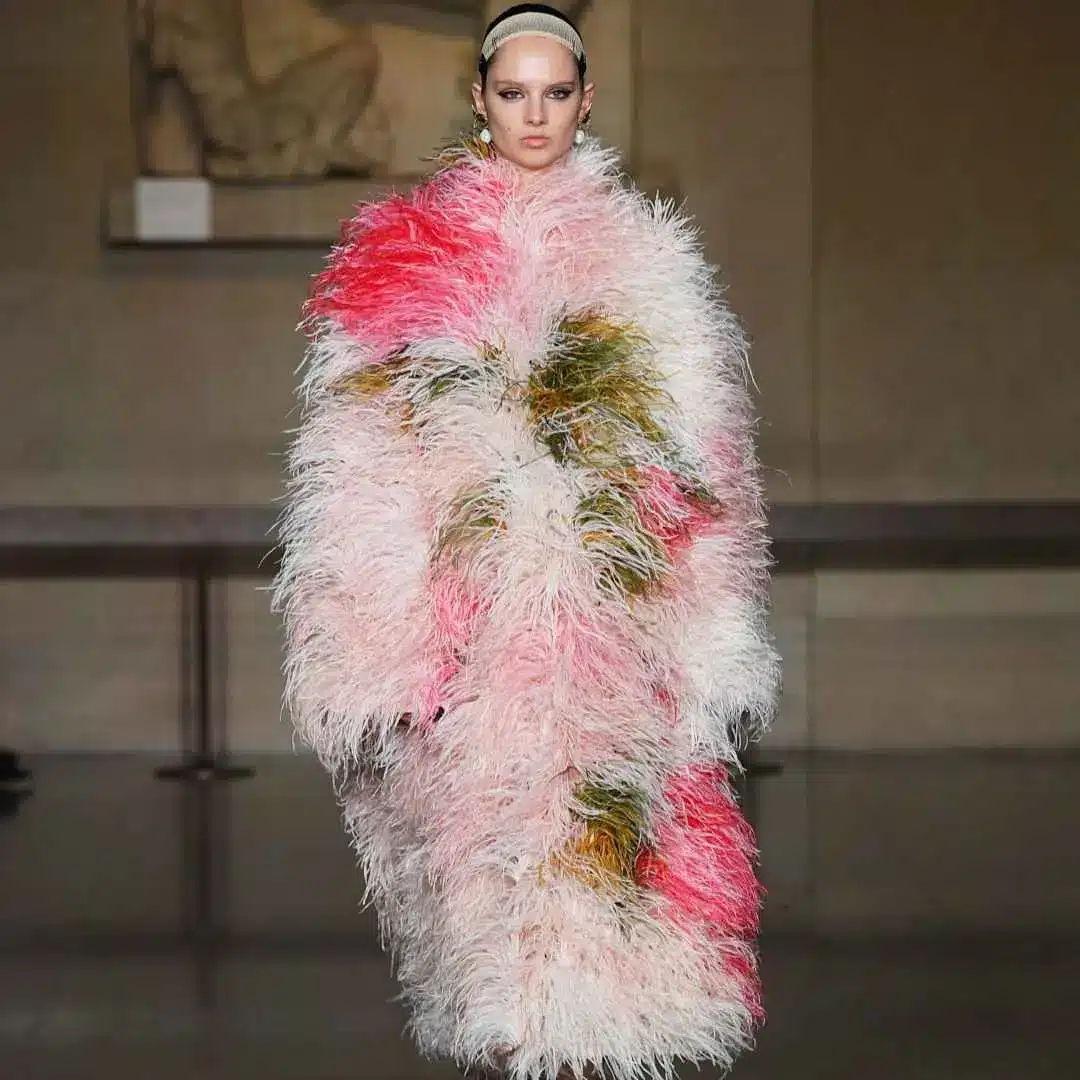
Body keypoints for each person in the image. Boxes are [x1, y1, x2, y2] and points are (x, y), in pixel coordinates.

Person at [274, 5, 781, 1078]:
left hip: (617, 646)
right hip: (476, 650)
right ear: (480, 99)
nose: (534, 115)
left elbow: (708, 470)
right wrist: (379, 649)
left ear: (586, 100)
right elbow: (362, 466)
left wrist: (712, 642)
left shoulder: (647, 261)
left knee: (611, 906)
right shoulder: (412, 262)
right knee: (494, 905)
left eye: (555, 94)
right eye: (514, 93)